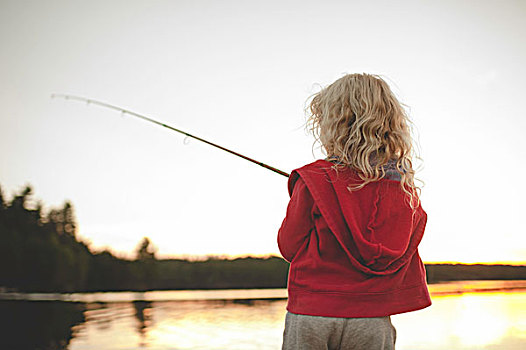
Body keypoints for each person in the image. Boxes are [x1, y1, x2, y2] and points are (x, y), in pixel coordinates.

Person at [278, 73, 431, 350]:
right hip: (372, 320)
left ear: (331, 124)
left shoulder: (312, 178)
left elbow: (289, 247)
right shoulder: (405, 189)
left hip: (313, 313)